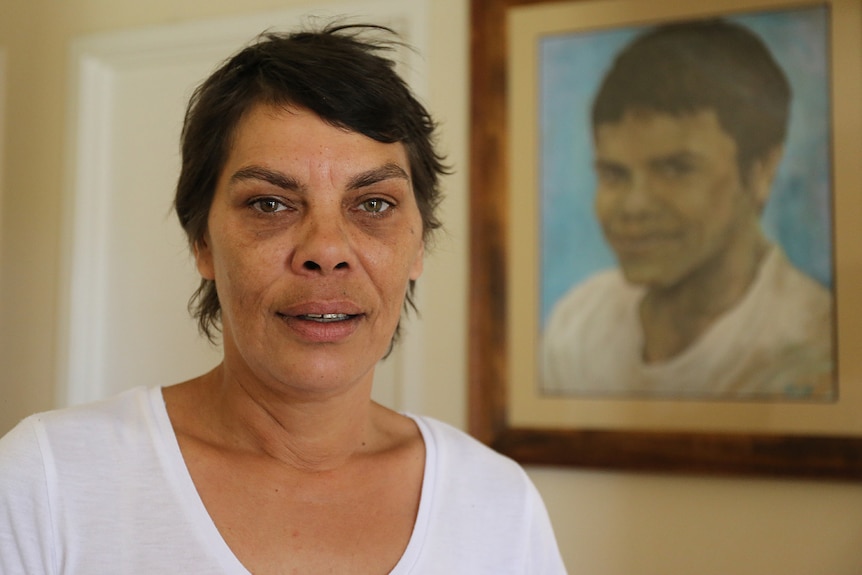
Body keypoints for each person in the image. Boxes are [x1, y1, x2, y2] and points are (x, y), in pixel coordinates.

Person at [0, 24, 567, 574]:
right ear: (203, 242)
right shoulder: (48, 481)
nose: (326, 249)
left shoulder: (498, 504)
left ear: (419, 244)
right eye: (271, 203)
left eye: (373, 204)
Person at [542, 18, 833, 400]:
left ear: (760, 171)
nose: (633, 206)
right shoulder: (576, 329)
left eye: (675, 169)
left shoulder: (813, 343)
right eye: (614, 174)